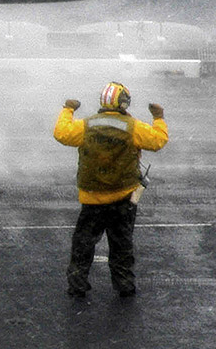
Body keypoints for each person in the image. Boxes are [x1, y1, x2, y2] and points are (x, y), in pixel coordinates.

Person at [53, 81, 168, 299]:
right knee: (121, 246)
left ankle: (77, 285)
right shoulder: (133, 127)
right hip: (123, 200)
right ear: (123, 103)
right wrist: (158, 117)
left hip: (92, 200)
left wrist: (68, 109)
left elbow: (62, 134)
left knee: (82, 245)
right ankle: (124, 285)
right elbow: (158, 141)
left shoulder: (87, 126)